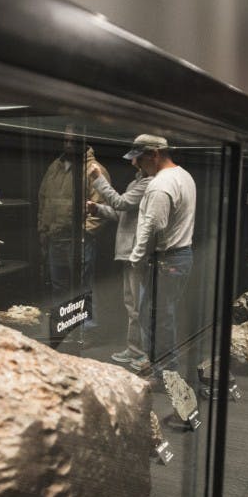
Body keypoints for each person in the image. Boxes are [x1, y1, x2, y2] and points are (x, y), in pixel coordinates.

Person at [124, 134, 196, 374]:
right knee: (161, 316)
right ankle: (162, 366)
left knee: (155, 318)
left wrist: (136, 258)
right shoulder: (184, 176)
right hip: (180, 256)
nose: (135, 163)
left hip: (166, 260)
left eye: (139, 158)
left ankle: (165, 370)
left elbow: (153, 226)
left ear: (154, 155)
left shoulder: (160, 185)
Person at [86, 155, 152, 365]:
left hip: (137, 253)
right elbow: (121, 213)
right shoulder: (137, 182)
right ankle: (135, 350)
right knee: (132, 305)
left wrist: (98, 178)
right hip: (128, 252)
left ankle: (145, 354)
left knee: (139, 307)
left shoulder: (149, 184)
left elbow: (120, 203)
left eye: (135, 158)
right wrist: (98, 209)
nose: (132, 162)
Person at [37, 131, 110, 319]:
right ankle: (63, 325)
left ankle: (87, 329)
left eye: (73, 140)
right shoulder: (55, 166)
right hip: (55, 238)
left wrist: (85, 234)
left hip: (79, 240)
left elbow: (102, 206)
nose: (68, 144)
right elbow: (44, 199)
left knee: (83, 287)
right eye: (66, 140)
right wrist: (43, 229)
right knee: (59, 286)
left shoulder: (94, 169)